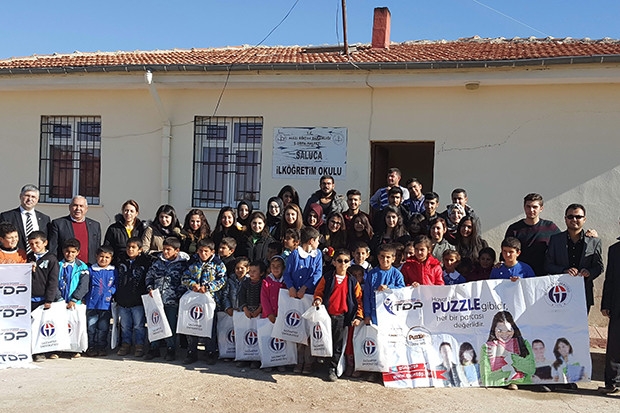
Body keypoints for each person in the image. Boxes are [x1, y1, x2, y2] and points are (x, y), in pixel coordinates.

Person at [313, 249, 364, 381]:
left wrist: (358, 316)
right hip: (326, 315)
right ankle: (319, 365)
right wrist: (318, 299)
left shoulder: (352, 281)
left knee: (337, 344)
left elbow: (358, 300)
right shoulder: (328, 277)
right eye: (339, 261)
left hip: (341, 316)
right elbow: (319, 292)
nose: (342, 263)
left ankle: (333, 368)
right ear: (334, 262)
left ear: (349, 264)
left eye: (346, 261)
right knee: (323, 340)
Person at [545, 203, 603, 313]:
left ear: (584, 219)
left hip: (584, 293)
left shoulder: (594, 241)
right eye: (570, 216)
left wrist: (589, 272)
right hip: (560, 293)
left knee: (580, 329)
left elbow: (599, 267)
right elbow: (548, 265)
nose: (574, 219)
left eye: (578, 217)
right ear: (565, 219)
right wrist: (564, 271)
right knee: (559, 327)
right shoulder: (555, 240)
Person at [283, 226, 323, 375]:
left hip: (309, 296)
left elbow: (318, 274)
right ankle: (298, 361)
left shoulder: (317, 255)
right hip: (295, 297)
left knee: (309, 330)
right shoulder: (294, 254)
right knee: (296, 328)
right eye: (318, 240)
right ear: (312, 241)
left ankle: (309, 362)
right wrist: (291, 287)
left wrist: (305, 287)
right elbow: (287, 273)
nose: (319, 243)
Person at [181, 238, 227, 365]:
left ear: (212, 252)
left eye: (206, 251)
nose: (203, 254)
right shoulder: (192, 263)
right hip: (194, 300)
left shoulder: (218, 264)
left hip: (210, 300)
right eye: (200, 251)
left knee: (209, 327)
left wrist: (208, 287)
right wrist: (192, 284)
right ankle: (192, 352)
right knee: (192, 325)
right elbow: (184, 277)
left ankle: (210, 352)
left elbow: (222, 280)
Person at [144, 237, 190, 361]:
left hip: (172, 300)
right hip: (157, 299)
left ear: (177, 250)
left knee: (170, 324)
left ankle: (171, 348)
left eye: (169, 250)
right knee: (155, 322)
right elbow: (149, 276)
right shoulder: (157, 262)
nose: (165, 252)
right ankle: (154, 347)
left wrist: (178, 294)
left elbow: (185, 281)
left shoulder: (183, 265)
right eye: (164, 249)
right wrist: (150, 288)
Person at [505, 193, 560, 276]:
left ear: (541, 208)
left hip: (544, 276)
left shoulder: (550, 227)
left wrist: (586, 236)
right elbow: (506, 252)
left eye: (535, 207)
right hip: (520, 275)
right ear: (524, 207)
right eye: (528, 206)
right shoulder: (514, 229)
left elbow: (564, 242)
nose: (531, 210)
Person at [115, 237, 151, 358]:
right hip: (123, 299)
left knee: (139, 325)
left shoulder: (144, 263)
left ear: (140, 250)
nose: (130, 250)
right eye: (128, 247)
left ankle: (139, 345)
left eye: (134, 247)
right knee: (125, 325)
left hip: (138, 300)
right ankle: (126, 344)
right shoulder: (121, 261)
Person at [480, 311, 535, 389]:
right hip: (498, 391)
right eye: (500, 331)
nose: (504, 334)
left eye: (509, 330)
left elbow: (531, 369)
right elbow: (487, 378)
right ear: (494, 330)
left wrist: (507, 354)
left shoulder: (523, 343)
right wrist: (512, 369)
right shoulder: (487, 348)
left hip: (524, 388)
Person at [27, 231, 60, 362]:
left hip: (43, 299)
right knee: (31, 326)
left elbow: (53, 281)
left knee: (42, 326)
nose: (34, 246)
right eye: (31, 244)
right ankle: (31, 350)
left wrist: (49, 299)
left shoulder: (51, 259)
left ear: (45, 243)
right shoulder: (28, 257)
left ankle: (42, 351)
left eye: (37, 243)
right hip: (29, 298)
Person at [49, 195, 101, 264]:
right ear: (70, 207)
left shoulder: (95, 225)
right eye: (75, 205)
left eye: (81, 206)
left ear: (86, 209)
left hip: (88, 267)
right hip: (66, 267)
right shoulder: (58, 224)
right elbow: (53, 248)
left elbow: (97, 248)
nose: (78, 208)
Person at [0, 184, 51, 254]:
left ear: (37, 199)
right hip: (15, 257)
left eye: (33, 197)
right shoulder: (6, 216)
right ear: (20, 196)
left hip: (37, 259)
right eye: (27, 196)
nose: (30, 199)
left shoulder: (45, 219)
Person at [85, 246, 116, 357]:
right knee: (91, 327)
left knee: (103, 327)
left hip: (106, 305)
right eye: (101, 256)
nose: (104, 259)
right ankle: (91, 346)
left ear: (111, 258)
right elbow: (85, 285)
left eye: (107, 257)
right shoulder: (91, 270)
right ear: (96, 256)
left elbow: (116, 284)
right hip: (92, 304)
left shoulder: (113, 271)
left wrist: (111, 292)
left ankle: (101, 346)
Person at [600, 226, 620, 394]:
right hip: (617, 305)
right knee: (614, 346)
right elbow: (610, 279)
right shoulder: (614, 250)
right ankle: (612, 383)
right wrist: (605, 304)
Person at [363, 243, 405, 325]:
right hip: (375, 313)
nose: (384, 259)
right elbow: (367, 295)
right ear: (378, 257)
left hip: (391, 313)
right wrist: (367, 315)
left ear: (393, 259)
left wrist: (388, 287)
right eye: (382, 256)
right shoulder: (372, 274)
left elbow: (401, 290)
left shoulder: (397, 274)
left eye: (388, 257)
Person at [238, 260, 265, 369]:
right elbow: (241, 296)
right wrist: (244, 308)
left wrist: (259, 309)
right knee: (245, 335)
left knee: (258, 337)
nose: (252, 273)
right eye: (250, 271)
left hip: (260, 313)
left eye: (255, 271)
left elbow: (264, 298)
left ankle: (257, 359)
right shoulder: (245, 282)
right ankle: (245, 357)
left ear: (262, 273)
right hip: (247, 313)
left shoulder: (264, 283)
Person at [57, 239, 89, 319]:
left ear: (77, 252)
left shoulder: (82, 267)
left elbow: (84, 285)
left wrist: (75, 299)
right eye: (67, 251)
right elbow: (53, 283)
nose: (70, 254)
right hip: (59, 302)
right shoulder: (57, 265)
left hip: (75, 303)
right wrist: (58, 298)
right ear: (63, 251)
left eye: (73, 252)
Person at [261, 255, 286, 324]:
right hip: (268, 316)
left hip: (282, 315)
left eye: (278, 266)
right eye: (273, 266)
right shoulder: (266, 282)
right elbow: (264, 299)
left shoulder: (286, 282)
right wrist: (269, 313)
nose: (275, 268)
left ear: (283, 268)